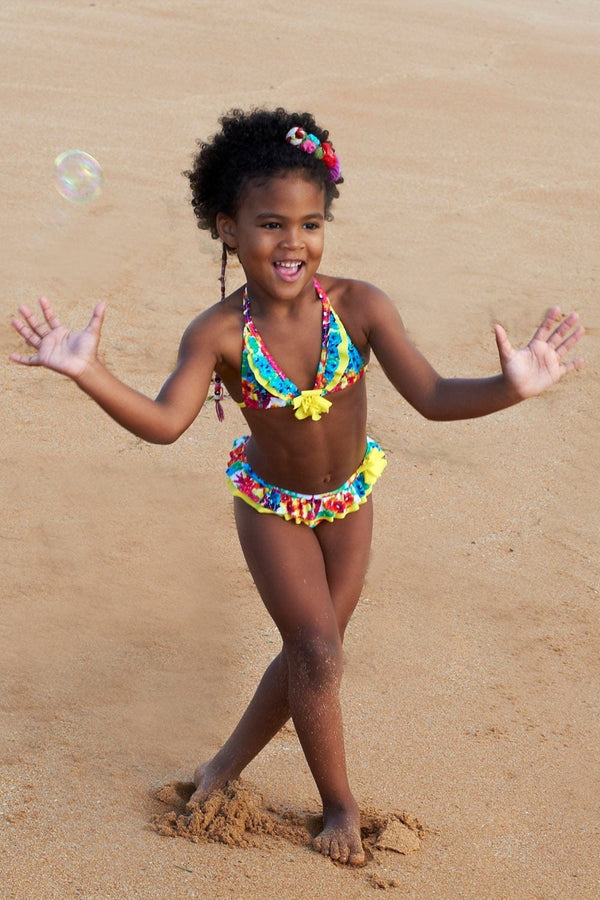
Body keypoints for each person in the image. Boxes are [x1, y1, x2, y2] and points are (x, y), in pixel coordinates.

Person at [10, 107, 584, 866]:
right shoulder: (217, 335)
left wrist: (511, 388)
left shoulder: (362, 306)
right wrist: (87, 372)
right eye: (271, 224)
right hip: (272, 508)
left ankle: (220, 769)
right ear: (227, 228)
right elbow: (164, 423)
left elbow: (437, 397)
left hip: (349, 501)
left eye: (311, 224)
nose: (294, 243)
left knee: (314, 654)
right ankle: (340, 806)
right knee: (316, 648)